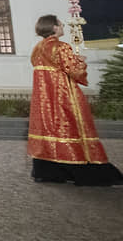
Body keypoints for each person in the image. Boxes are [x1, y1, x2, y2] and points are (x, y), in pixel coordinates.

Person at [28, 14, 123, 185]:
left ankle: (51, 172)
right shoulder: (61, 47)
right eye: (60, 24)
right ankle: (88, 173)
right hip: (63, 97)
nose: (63, 26)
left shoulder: (37, 48)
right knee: (73, 129)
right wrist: (81, 62)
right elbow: (75, 71)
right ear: (54, 27)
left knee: (51, 132)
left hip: (44, 100)